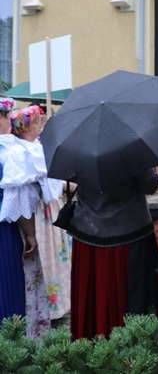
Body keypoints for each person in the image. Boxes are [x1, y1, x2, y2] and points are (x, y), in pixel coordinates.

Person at [66, 167, 158, 339]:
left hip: (87, 231)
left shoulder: (76, 146)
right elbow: (149, 185)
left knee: (93, 294)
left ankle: (90, 341)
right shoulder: (131, 147)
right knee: (133, 298)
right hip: (128, 233)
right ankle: (131, 347)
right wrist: (154, 171)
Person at [11, 106, 71, 324]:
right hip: (39, 209)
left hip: (49, 207)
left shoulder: (36, 147)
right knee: (46, 255)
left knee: (57, 254)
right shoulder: (26, 150)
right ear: (27, 127)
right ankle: (48, 306)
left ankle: (59, 303)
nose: (40, 126)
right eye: (37, 122)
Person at [0, 97, 48, 338]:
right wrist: (31, 234)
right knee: (7, 283)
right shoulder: (12, 151)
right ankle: (10, 343)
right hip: (4, 231)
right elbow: (21, 199)